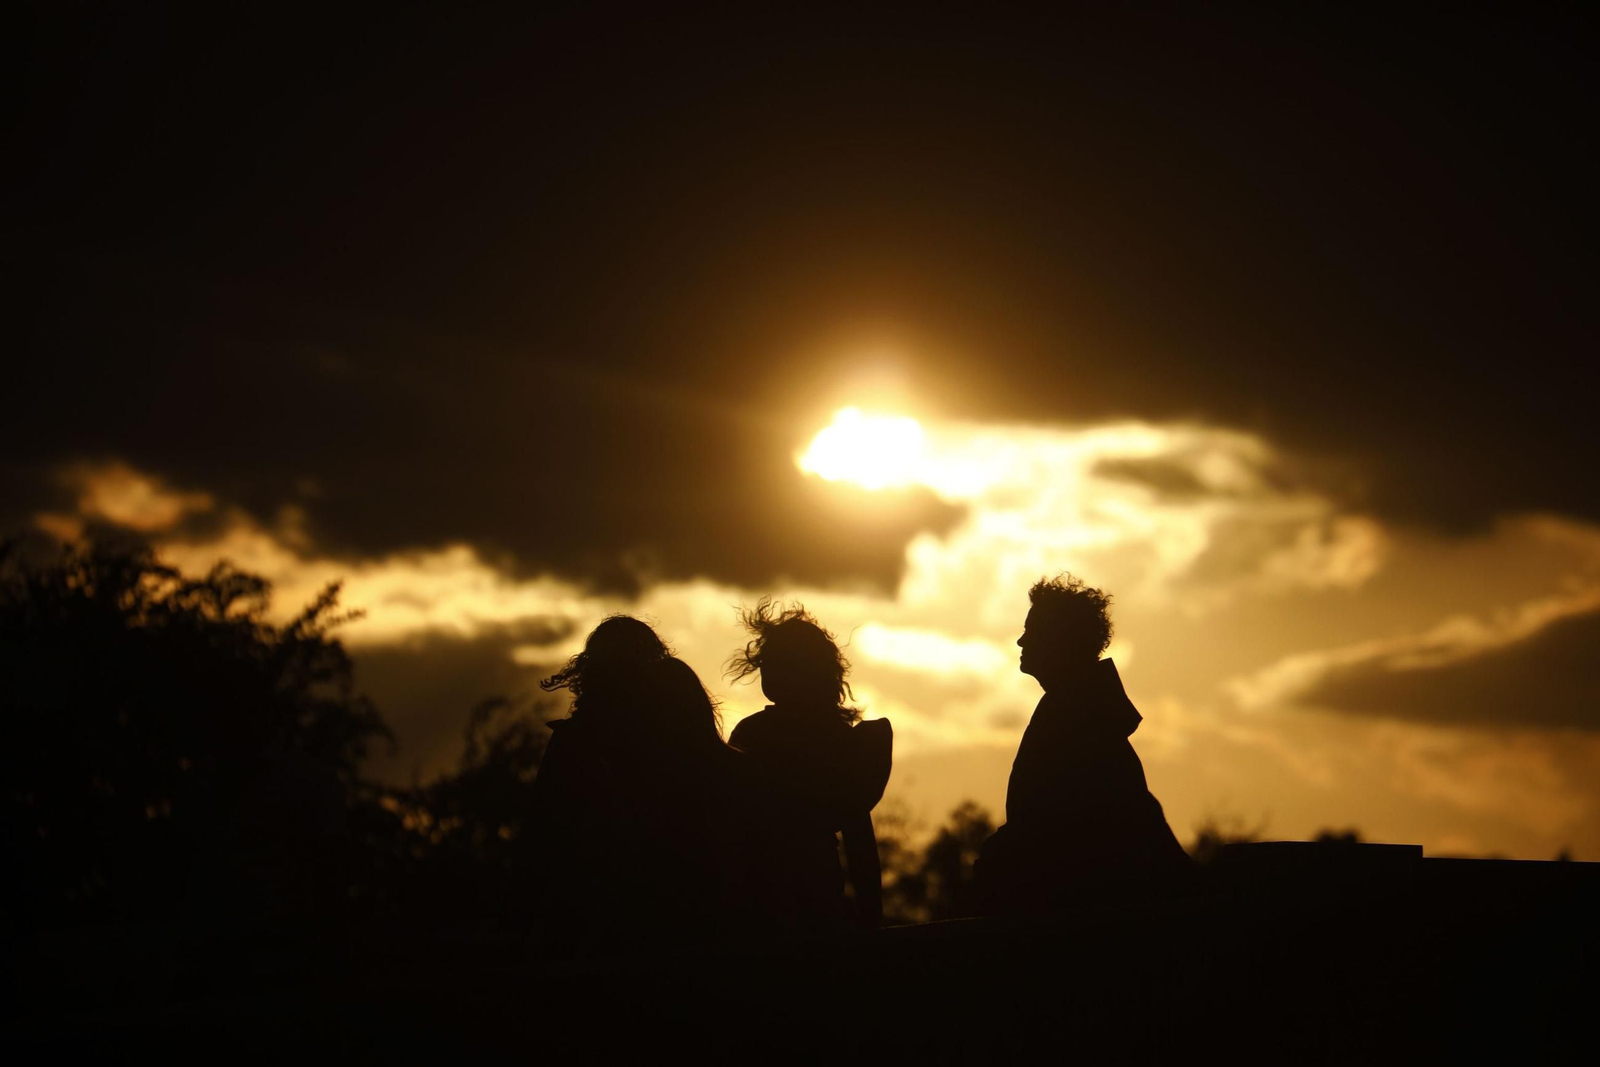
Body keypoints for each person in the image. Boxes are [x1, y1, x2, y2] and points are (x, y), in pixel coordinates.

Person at [976, 575, 1190, 914]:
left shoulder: (1077, 719)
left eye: (1032, 632)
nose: (1020, 641)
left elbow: (1062, 829)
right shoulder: (1081, 711)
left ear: (1058, 641)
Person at [531, 616, 744, 954]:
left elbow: (541, 838)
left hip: (618, 922)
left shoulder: (587, 742)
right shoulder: (704, 757)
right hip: (666, 923)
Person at [725, 599, 891, 932]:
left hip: (772, 892)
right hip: (806, 889)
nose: (769, 670)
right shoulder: (839, 738)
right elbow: (859, 839)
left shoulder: (753, 734)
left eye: (778, 662)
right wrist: (872, 919)